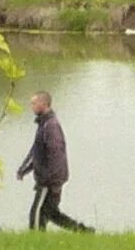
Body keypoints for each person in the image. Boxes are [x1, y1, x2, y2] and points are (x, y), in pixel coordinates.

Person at [19, 93, 90, 231]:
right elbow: (37, 152)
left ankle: (35, 240)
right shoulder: (43, 124)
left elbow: (56, 155)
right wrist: (24, 170)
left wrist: (51, 181)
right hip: (48, 178)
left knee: (37, 213)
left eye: (34, 103)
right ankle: (83, 231)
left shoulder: (50, 126)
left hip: (49, 180)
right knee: (51, 212)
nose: (31, 107)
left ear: (43, 104)